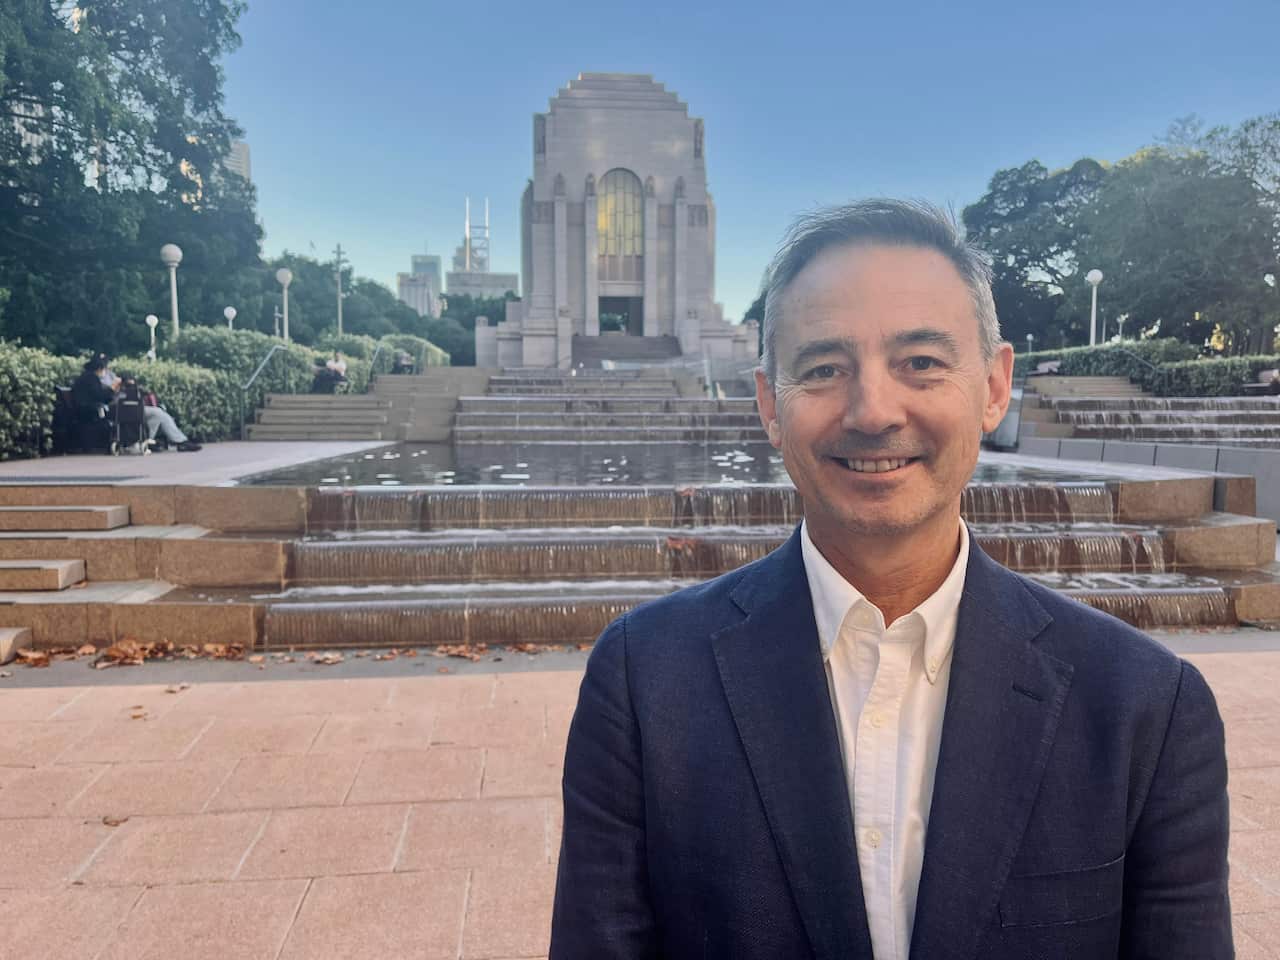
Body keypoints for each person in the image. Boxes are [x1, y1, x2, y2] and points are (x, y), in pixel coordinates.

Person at [551, 200, 1231, 959]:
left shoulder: (1144, 706)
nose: (873, 411)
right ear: (770, 405)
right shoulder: (647, 681)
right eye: (824, 369)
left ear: (995, 387)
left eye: (921, 364)